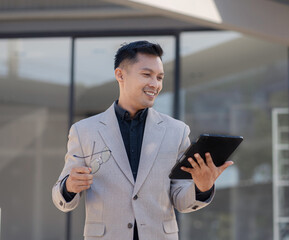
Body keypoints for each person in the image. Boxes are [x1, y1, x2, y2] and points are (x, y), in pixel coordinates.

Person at [52, 40, 233, 240]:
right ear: (120, 75)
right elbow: (60, 196)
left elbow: (180, 199)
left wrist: (202, 186)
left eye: (159, 77)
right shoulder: (84, 130)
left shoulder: (177, 131)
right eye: (147, 75)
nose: (155, 84)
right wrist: (69, 186)